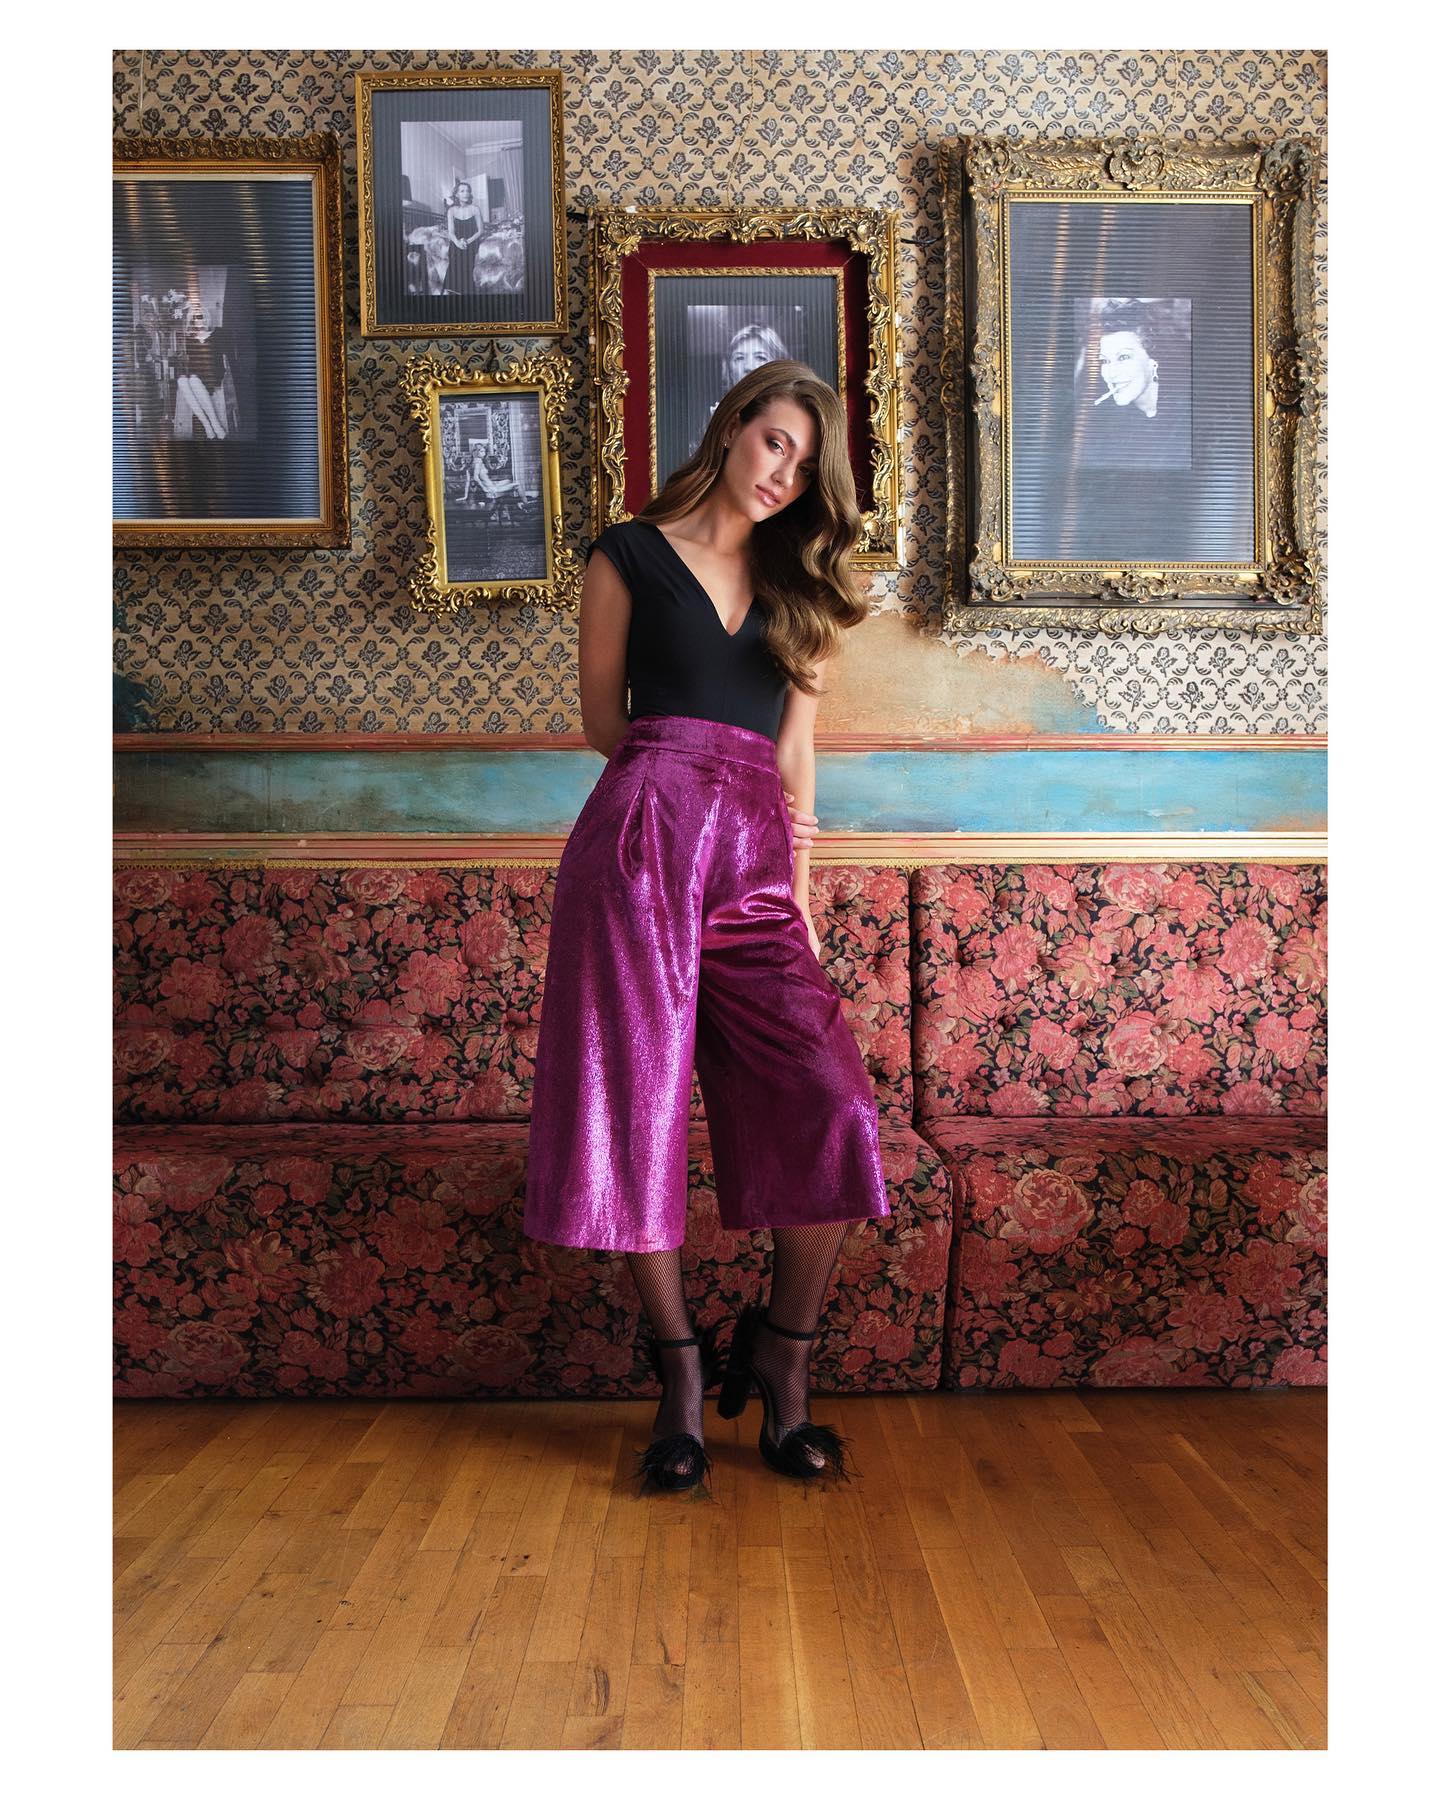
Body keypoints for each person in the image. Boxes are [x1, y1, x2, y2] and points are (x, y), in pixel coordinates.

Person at [524, 360, 888, 1494]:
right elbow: (601, 722)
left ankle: (781, 1359)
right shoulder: (625, 553)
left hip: (757, 864)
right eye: (775, 441)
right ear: (732, 427)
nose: (785, 473)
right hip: (638, 844)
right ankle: (680, 1379)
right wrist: (677, 789)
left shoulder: (806, 588)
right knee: (634, 1109)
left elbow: (795, 762)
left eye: (805, 461)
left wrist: (802, 905)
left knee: (832, 1103)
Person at [1076, 301, 1192, 470]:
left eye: (1123, 357)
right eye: (1104, 360)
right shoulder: (1103, 424)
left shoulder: (1187, 418)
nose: (1111, 373)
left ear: (1153, 361)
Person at [687, 321, 790, 459]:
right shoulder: (713, 415)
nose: (748, 366)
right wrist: (715, 433)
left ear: (778, 365)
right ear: (729, 369)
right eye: (739, 358)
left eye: (760, 357)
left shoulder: (793, 414)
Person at [173, 303, 231, 440]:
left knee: (193, 379)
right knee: (182, 380)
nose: (199, 320)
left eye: (201, 317)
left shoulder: (216, 334)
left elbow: (223, 358)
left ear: (206, 318)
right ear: (192, 320)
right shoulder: (189, 339)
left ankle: (215, 424)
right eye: (195, 318)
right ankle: (208, 426)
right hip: (195, 375)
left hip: (213, 373)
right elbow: (189, 362)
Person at [444, 182, 483, 296]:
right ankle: (453, 291)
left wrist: (467, 241)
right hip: (456, 242)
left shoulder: (475, 209)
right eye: (462, 191)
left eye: (467, 190)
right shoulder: (451, 211)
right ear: (456, 195)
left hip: (471, 241)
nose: (466, 193)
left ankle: (465, 291)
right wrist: (457, 242)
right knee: (455, 255)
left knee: (465, 259)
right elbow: (450, 232)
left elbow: (480, 230)